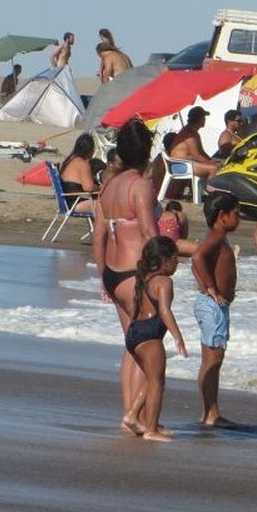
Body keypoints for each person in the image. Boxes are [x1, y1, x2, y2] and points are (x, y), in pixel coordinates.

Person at [92, 119, 158, 433]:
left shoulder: (108, 187)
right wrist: (164, 268)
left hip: (114, 272)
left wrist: (101, 275)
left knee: (131, 345)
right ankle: (141, 418)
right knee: (147, 344)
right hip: (136, 272)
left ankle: (130, 414)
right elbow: (149, 233)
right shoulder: (139, 185)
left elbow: (99, 237)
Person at [121, 236, 187, 442]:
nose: (177, 264)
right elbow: (165, 311)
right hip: (150, 336)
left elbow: (135, 309)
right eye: (175, 260)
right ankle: (151, 429)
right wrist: (178, 336)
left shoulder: (144, 279)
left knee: (151, 379)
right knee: (158, 383)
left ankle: (132, 415)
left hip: (134, 333)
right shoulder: (164, 282)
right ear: (164, 260)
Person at [191, 193, 241, 427]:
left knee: (211, 360)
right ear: (222, 216)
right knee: (213, 360)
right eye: (236, 214)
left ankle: (210, 412)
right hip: (213, 306)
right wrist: (211, 287)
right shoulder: (217, 237)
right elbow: (197, 257)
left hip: (214, 305)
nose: (239, 218)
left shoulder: (219, 237)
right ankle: (210, 413)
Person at [166, 106, 219, 180]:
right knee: (213, 169)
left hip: (184, 163)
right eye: (203, 117)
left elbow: (202, 152)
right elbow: (196, 156)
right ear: (198, 119)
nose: (205, 119)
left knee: (214, 165)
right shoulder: (189, 134)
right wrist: (212, 163)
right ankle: (207, 190)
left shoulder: (192, 132)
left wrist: (211, 160)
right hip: (178, 165)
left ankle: (207, 187)